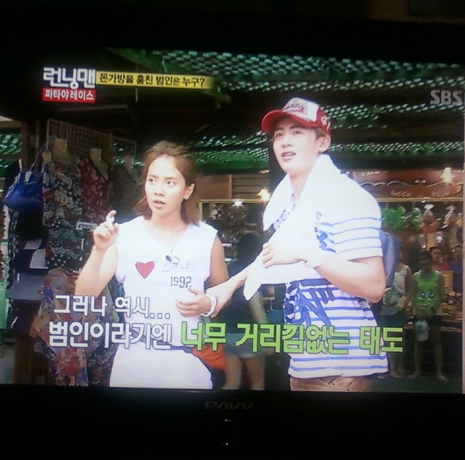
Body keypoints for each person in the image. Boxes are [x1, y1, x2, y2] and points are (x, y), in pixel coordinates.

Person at [184, 97, 387, 392]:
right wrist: (228, 286)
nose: (285, 141)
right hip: (306, 362)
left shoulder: (346, 197)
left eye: (297, 132)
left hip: (342, 368)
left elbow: (374, 285)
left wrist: (307, 253)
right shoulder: (290, 205)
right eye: (279, 134)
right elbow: (275, 256)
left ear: (323, 141)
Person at [75, 141, 228, 389]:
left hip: (188, 364)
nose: (159, 190)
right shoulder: (124, 235)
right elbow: (83, 296)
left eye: (170, 183)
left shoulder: (207, 238)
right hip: (132, 364)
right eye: (152, 180)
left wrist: (208, 303)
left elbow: (223, 296)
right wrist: (99, 250)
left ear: (187, 190)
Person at [217, 233, 269, 390]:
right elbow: (256, 306)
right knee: (257, 383)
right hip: (248, 334)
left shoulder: (227, 269)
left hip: (227, 333)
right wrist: (268, 338)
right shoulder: (254, 272)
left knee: (232, 383)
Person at [407, 250, 447, 381]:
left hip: (434, 313)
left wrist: (432, 310)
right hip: (419, 314)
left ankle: (439, 373)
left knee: (436, 343)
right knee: (419, 342)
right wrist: (417, 310)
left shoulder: (439, 276)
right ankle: (417, 371)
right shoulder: (415, 276)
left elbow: (441, 295)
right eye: (421, 260)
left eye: (426, 259)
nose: (424, 262)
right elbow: (413, 294)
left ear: (430, 261)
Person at [379, 247, 412, 378]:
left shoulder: (405, 269)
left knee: (399, 338)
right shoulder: (382, 268)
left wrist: (405, 301)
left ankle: (398, 366)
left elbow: (410, 289)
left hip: (398, 308)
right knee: (385, 338)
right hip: (382, 308)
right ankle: (387, 368)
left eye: (399, 251)